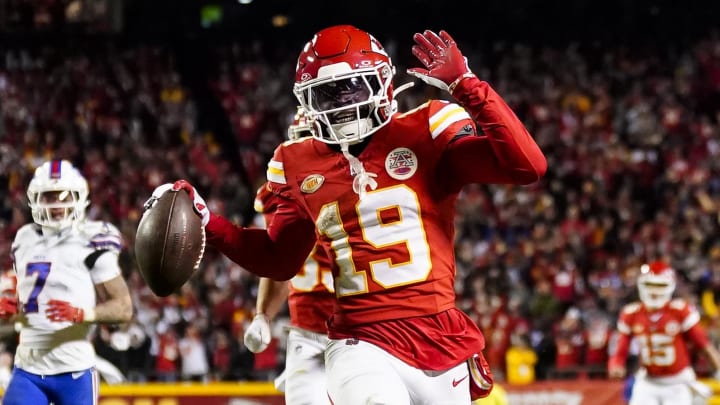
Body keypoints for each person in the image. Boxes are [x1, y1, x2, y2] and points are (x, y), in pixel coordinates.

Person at [149, 25, 546, 404]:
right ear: (305, 101)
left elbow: (527, 166)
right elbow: (280, 258)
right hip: (360, 341)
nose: (341, 104)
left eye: (350, 88)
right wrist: (208, 221)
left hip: (438, 337)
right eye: (327, 95)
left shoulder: (426, 127)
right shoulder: (296, 161)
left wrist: (468, 86)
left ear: (382, 82)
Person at [1, 159, 134, 405]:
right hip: (28, 369)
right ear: (35, 199)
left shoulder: (92, 238)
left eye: (64, 195)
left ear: (79, 197)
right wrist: (9, 310)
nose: (58, 204)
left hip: (75, 371)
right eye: (49, 196)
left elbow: (123, 308)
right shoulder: (24, 239)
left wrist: (82, 313)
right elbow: (29, 307)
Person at [608, 260, 720, 405]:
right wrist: (616, 364)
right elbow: (620, 349)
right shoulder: (631, 313)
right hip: (647, 382)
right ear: (641, 285)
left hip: (678, 383)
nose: (654, 291)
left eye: (659, 285)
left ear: (670, 286)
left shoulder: (680, 311)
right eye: (650, 285)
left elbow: (704, 345)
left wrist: (718, 370)